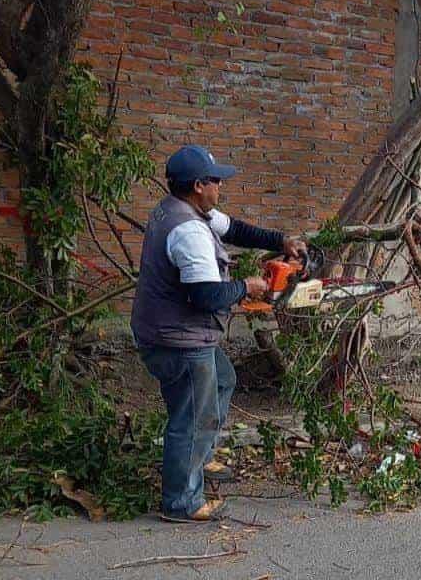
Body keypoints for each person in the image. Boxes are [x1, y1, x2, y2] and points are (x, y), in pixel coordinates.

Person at [131, 144, 305, 522]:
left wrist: (281, 242)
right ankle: (182, 502)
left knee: (224, 380)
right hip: (178, 339)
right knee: (193, 416)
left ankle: (200, 458)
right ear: (198, 185)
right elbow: (206, 295)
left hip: (169, 329)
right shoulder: (189, 230)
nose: (220, 187)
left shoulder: (180, 208)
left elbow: (237, 229)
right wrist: (247, 287)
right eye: (216, 181)